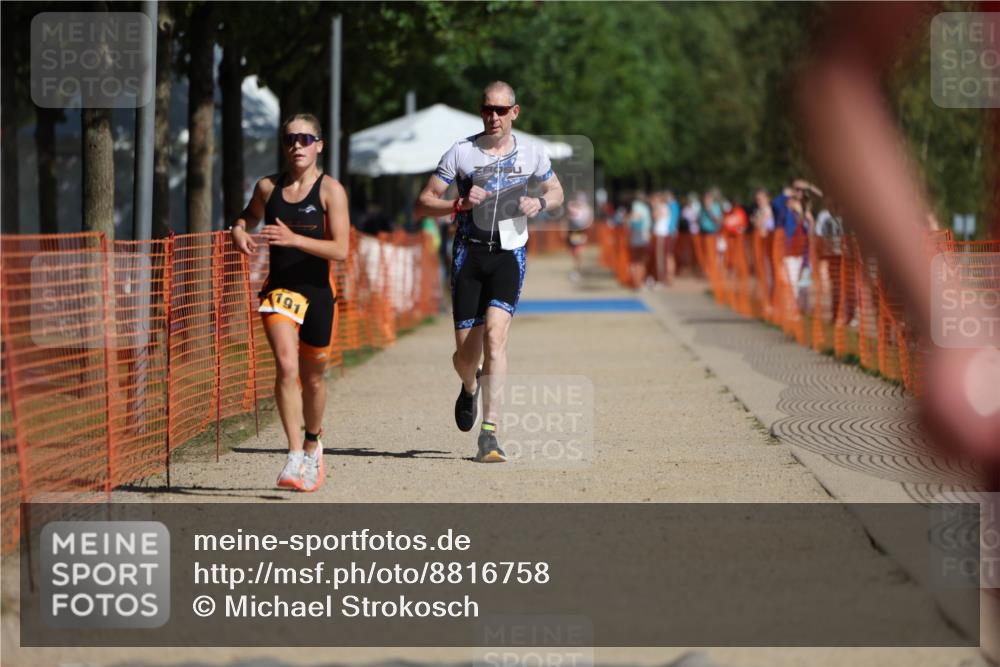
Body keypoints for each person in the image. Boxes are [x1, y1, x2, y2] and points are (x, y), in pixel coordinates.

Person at [414, 81, 564, 463]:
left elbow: (558, 191)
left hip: (509, 254)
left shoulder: (531, 153)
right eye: (487, 109)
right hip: (469, 254)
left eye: (501, 110)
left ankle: (490, 434)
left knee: (496, 338)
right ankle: (469, 386)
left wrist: (540, 201)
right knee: (467, 355)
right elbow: (424, 202)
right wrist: (457, 203)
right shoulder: (461, 152)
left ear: (515, 112)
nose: (492, 116)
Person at [230, 113, 350, 492]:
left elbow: (341, 249)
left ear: (319, 145)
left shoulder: (331, 191)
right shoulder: (268, 187)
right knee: (285, 364)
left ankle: (313, 442)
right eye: (290, 140)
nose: (297, 146)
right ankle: (294, 454)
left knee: (313, 376)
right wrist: (237, 230)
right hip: (279, 290)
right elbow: (247, 216)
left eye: (305, 139)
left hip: (317, 292)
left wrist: (295, 239)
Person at [565, 191, 593, 282]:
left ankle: (577, 270)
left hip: (579, 232)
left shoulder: (586, 209)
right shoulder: (572, 207)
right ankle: (576, 269)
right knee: (574, 252)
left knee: (577, 252)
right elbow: (568, 219)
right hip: (573, 232)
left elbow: (588, 221)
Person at [627, 191, 653, 288]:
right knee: (640, 260)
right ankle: (638, 282)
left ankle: (636, 281)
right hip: (642, 235)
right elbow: (635, 219)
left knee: (635, 260)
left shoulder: (637, 207)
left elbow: (633, 219)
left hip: (637, 235)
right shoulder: (642, 208)